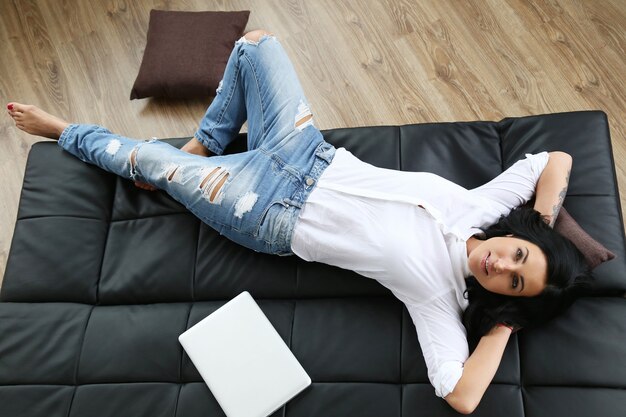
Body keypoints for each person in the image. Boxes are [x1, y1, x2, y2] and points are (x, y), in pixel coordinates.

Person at [6, 29, 591, 414]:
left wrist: (504, 324)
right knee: (256, 45)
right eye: (518, 255)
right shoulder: (486, 210)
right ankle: (201, 148)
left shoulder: (436, 296)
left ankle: (67, 133)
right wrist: (542, 226)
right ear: (517, 238)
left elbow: (460, 396)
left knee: (147, 162)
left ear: (503, 298)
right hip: (306, 152)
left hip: (262, 209)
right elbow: (552, 160)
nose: (501, 264)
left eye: (512, 282)